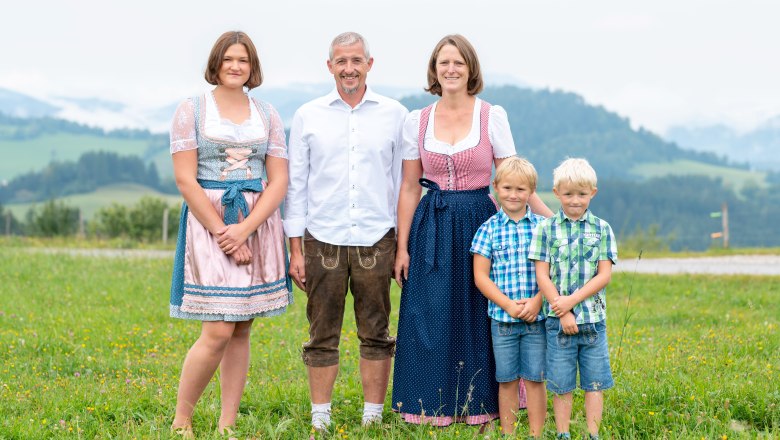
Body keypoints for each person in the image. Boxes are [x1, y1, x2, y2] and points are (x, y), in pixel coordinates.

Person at [392, 34, 553, 427]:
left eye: (458, 63)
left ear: (470, 71)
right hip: (432, 222)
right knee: (428, 314)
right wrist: (402, 247)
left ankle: (483, 406)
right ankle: (429, 405)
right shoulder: (417, 120)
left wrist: (555, 225)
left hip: (483, 218)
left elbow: (513, 177)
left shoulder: (490, 115)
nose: (450, 70)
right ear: (434, 70)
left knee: (483, 312)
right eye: (444, 63)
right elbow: (411, 186)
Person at [168, 31, 292, 438]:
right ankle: (181, 419)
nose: (235, 66)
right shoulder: (192, 110)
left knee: (241, 326)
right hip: (211, 222)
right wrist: (224, 231)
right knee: (218, 328)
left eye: (243, 60)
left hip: (255, 222)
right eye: (228, 59)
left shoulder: (268, 114)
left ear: (252, 66)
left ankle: (227, 423)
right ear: (216, 64)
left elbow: (278, 180)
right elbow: (186, 179)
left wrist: (245, 230)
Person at [284, 31, 408, 430]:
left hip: (377, 236)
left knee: (377, 330)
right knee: (322, 332)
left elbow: (402, 186)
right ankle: (321, 417)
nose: (349, 68)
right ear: (330, 66)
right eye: (341, 61)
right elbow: (296, 185)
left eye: (356, 60)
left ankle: (372, 416)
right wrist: (296, 249)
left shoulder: (395, 114)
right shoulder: (308, 114)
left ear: (369, 64)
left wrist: (400, 246)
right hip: (323, 238)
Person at [528, 157, 618, 440]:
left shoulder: (602, 229)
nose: (575, 200)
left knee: (594, 382)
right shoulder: (546, 229)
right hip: (558, 322)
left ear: (593, 192)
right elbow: (543, 275)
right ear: (556, 194)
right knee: (561, 382)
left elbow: (603, 276)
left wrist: (571, 302)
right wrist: (562, 309)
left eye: (581, 194)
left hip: (593, 321)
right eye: (568, 194)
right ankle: (563, 433)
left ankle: (593, 434)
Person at [471, 156, 548, 437]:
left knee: (536, 379)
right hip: (502, 319)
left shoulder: (543, 228)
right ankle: (509, 433)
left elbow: (553, 272)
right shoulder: (488, 229)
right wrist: (506, 305)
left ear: (531, 192)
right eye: (507, 189)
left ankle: (536, 433)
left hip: (536, 318)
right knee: (506, 380)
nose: (513, 195)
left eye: (520, 189)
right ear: (495, 188)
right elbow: (481, 276)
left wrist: (537, 300)